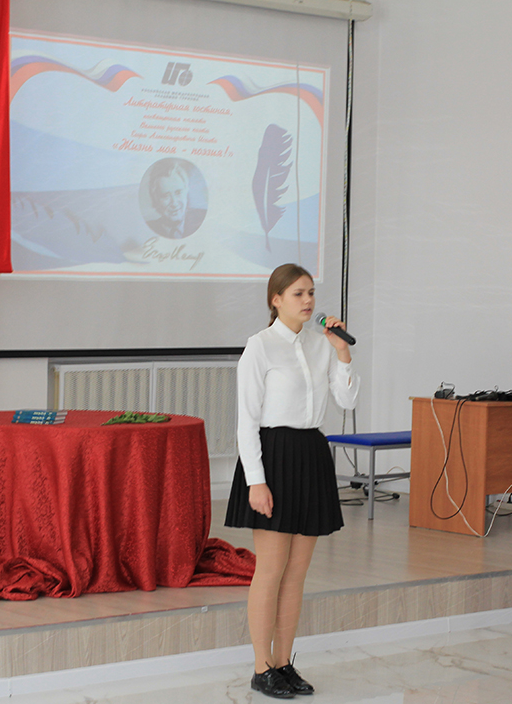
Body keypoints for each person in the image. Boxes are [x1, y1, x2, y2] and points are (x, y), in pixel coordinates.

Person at [224, 263, 359, 699]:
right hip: (274, 456)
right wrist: (256, 481)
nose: (308, 300)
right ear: (276, 299)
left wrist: (342, 352)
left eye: (311, 293)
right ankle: (261, 667)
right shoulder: (260, 346)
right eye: (298, 293)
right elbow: (247, 421)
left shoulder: (322, 345)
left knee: (297, 573)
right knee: (271, 570)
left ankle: (283, 663)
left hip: (311, 454)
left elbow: (346, 400)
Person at [144, 159, 206, 239]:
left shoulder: (203, 219)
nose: (174, 203)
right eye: (166, 196)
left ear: (186, 191)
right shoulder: (147, 228)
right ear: (156, 199)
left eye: (178, 193)